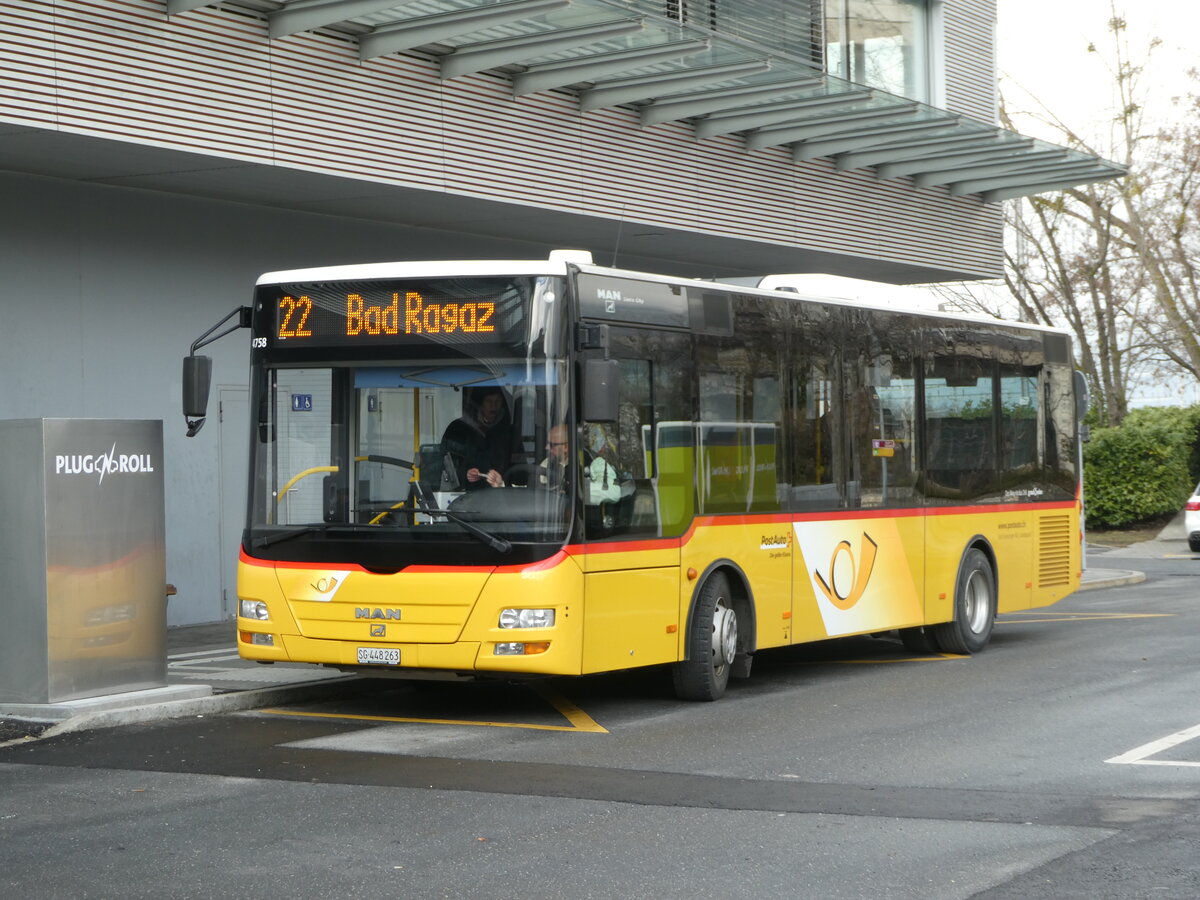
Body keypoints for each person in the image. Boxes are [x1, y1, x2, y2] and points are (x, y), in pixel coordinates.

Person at [440, 387, 512, 490]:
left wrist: (502, 481)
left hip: (500, 497)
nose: (494, 406)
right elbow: (446, 464)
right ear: (480, 403)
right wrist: (465, 474)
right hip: (465, 496)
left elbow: (516, 470)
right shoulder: (458, 429)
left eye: (498, 401)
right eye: (489, 401)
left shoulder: (509, 431)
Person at [538, 423, 621, 506]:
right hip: (553, 514)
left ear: (566, 447)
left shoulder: (594, 462)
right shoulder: (547, 463)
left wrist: (576, 490)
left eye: (552, 444)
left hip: (582, 515)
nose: (546, 447)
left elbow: (614, 493)